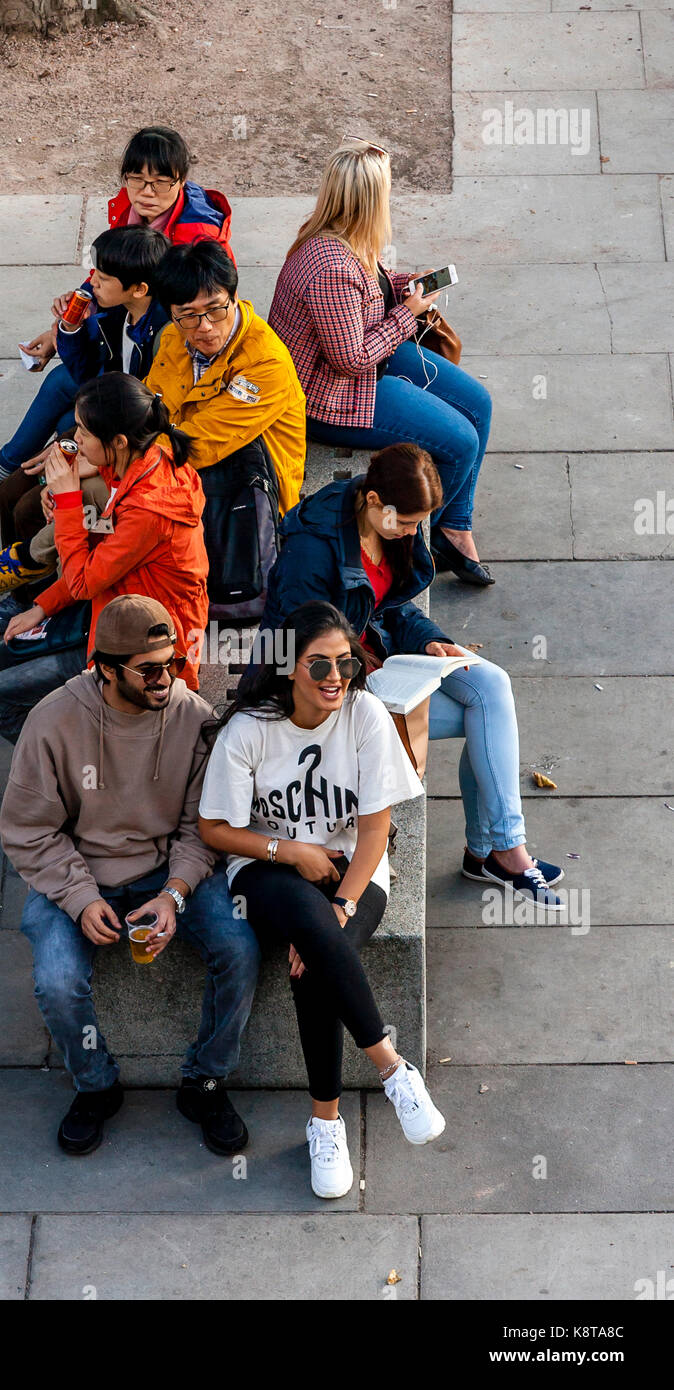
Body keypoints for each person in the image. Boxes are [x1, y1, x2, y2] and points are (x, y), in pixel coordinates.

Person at [198, 601, 443, 1201]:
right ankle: (390, 1066)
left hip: (354, 874)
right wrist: (289, 851)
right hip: (264, 870)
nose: (336, 677)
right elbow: (213, 828)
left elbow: (375, 831)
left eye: (346, 663)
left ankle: (325, 1123)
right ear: (288, 669)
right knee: (311, 929)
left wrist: (343, 907)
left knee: (314, 964)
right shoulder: (250, 730)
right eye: (319, 665)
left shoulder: (364, 716)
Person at [0, 594, 259, 1157]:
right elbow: (28, 830)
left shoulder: (192, 717)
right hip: (75, 870)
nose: (167, 678)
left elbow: (203, 824)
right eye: (149, 669)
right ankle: (96, 1087)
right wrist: (78, 896)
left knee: (239, 946)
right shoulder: (52, 722)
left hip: (166, 868)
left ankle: (206, 1082)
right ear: (105, 670)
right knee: (57, 981)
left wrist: (175, 891)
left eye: (173, 662)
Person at [256, 444, 565, 908]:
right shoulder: (313, 549)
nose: (410, 533)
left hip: (374, 663)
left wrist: (429, 641)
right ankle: (491, 854)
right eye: (404, 522)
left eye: (418, 523)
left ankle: (503, 848)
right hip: (319, 688)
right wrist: (365, 669)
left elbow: (392, 608)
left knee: (489, 684)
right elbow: (303, 649)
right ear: (373, 499)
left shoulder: (389, 526)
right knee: (483, 722)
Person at [0, 125, 232, 512]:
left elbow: (186, 350)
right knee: (64, 389)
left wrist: (82, 440)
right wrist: (65, 327)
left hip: (153, 396)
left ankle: (17, 471)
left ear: (181, 181)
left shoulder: (193, 254)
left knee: (61, 416)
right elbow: (109, 276)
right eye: (136, 180)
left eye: (160, 182)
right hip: (125, 366)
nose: (146, 192)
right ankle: (12, 468)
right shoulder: (131, 224)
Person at [268, 137, 494, 586]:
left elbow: (369, 287)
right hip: (333, 396)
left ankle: (454, 524)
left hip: (371, 357)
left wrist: (407, 288)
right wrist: (407, 315)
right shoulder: (328, 263)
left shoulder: (343, 233)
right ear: (370, 201)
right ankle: (417, 541)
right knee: (460, 443)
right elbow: (352, 359)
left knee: (478, 404)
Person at [0, 374, 209, 743]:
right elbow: (101, 561)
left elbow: (85, 581)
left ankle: (75, 762)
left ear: (117, 441)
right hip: (113, 604)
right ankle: (76, 731)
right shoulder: (148, 460)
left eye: (83, 432)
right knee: (4, 656)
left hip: (141, 646)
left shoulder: (150, 509)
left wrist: (69, 500)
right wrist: (42, 606)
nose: (75, 440)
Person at [146, 239, 306, 519]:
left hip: (246, 496)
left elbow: (201, 443)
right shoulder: (173, 337)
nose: (205, 326)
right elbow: (150, 405)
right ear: (171, 314)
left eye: (216, 309)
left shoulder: (266, 362)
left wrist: (118, 457)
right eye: (188, 315)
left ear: (234, 296)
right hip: (179, 463)